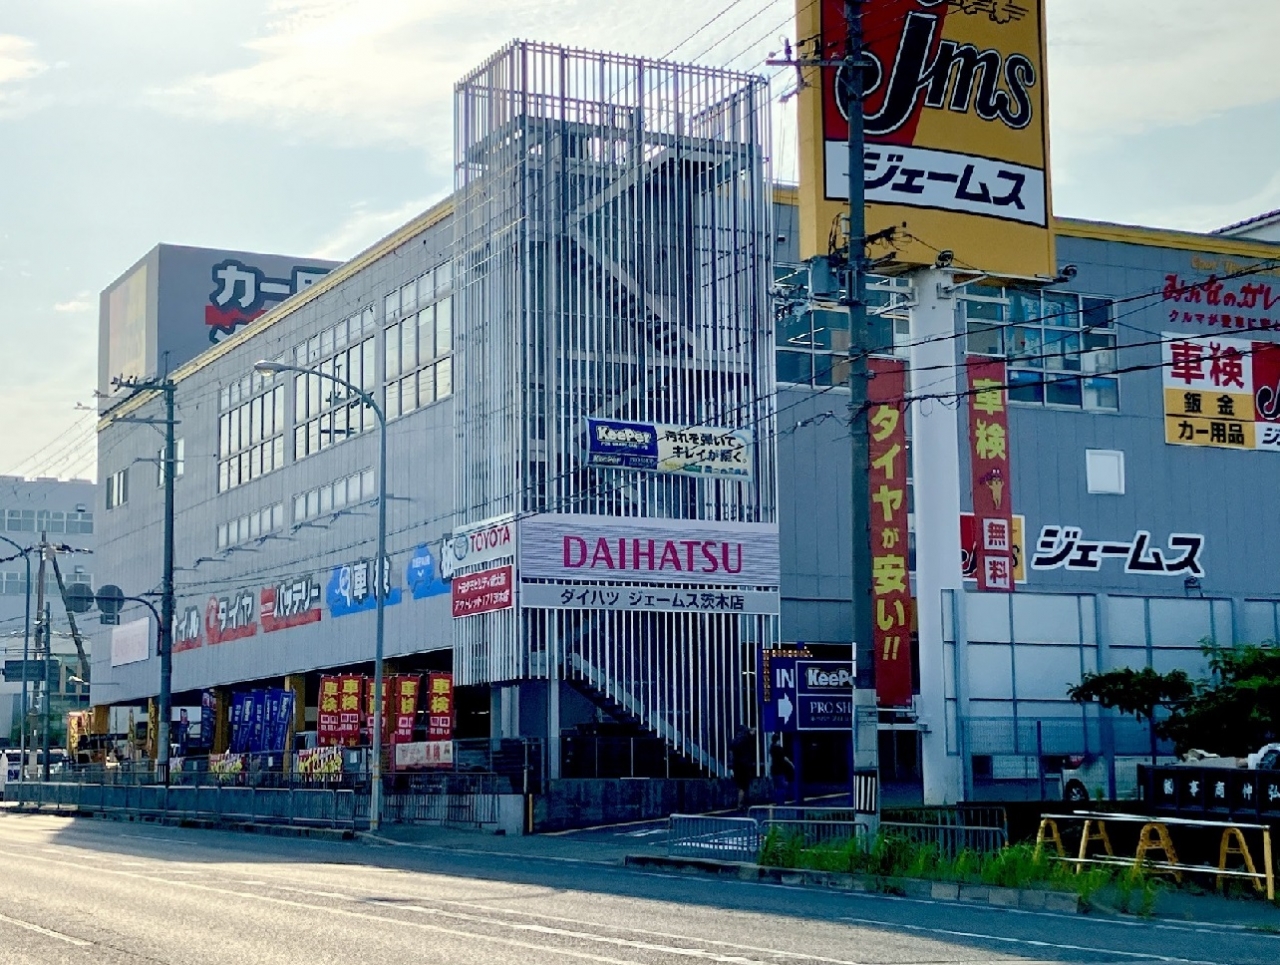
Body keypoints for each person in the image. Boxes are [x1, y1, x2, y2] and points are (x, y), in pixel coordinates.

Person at [729, 726, 756, 809]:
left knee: (740, 786)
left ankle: (740, 803)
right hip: (745, 766)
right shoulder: (746, 740)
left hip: (736, 765)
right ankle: (741, 804)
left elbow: (731, 751)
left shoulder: (735, 740)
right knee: (744, 786)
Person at [769, 736, 794, 805]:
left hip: (774, 770)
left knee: (777, 786)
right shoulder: (779, 749)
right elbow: (784, 758)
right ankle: (781, 801)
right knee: (782, 786)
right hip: (780, 770)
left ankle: (778, 800)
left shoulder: (771, 748)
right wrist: (791, 764)